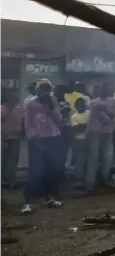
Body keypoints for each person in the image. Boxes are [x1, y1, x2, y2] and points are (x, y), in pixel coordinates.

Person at [22, 79, 63, 214]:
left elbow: (59, 120)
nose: (45, 92)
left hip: (53, 138)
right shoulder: (30, 104)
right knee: (35, 172)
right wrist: (36, 142)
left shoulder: (54, 101)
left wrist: (50, 107)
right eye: (42, 89)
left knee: (52, 169)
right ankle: (28, 203)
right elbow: (28, 126)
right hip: (37, 140)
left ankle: (49, 198)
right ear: (37, 90)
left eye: (47, 89)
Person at [86, 82, 115, 193]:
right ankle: (90, 183)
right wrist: (88, 131)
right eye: (103, 89)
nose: (105, 91)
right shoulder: (94, 102)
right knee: (93, 157)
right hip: (95, 132)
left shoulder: (112, 101)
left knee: (106, 158)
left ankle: (105, 180)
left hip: (108, 132)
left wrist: (105, 110)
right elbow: (90, 118)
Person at [1, 91, 24, 189]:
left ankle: (10, 179)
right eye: (11, 99)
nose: (13, 101)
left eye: (15, 99)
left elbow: (23, 123)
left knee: (13, 159)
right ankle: (3, 179)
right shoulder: (2, 108)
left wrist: (23, 133)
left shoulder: (20, 110)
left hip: (15, 138)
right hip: (3, 138)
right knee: (3, 159)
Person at [53, 85, 72, 188]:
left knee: (62, 154)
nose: (58, 93)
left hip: (63, 130)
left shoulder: (66, 103)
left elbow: (63, 118)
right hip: (52, 131)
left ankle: (60, 175)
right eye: (57, 91)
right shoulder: (50, 101)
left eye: (61, 91)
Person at [71, 97, 89, 185]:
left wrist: (82, 125)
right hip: (79, 140)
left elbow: (92, 126)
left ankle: (89, 178)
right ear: (75, 106)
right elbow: (77, 130)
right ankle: (80, 178)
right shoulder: (74, 116)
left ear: (85, 105)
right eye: (78, 105)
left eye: (82, 104)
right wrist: (87, 125)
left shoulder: (90, 113)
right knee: (80, 160)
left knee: (91, 159)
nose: (80, 106)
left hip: (91, 140)